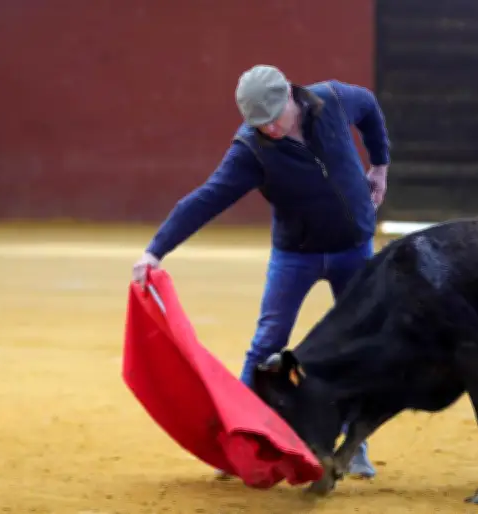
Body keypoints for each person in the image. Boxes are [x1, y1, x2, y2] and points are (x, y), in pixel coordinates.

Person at [131, 64, 390, 479]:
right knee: (268, 341)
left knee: (357, 343)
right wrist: (154, 251)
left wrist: (379, 165)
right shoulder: (251, 148)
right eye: (259, 122)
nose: (268, 128)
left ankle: (354, 444)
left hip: (354, 250)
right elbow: (206, 198)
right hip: (296, 256)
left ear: (290, 94)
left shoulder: (337, 99)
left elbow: (371, 109)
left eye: (274, 117)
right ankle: (241, 436)